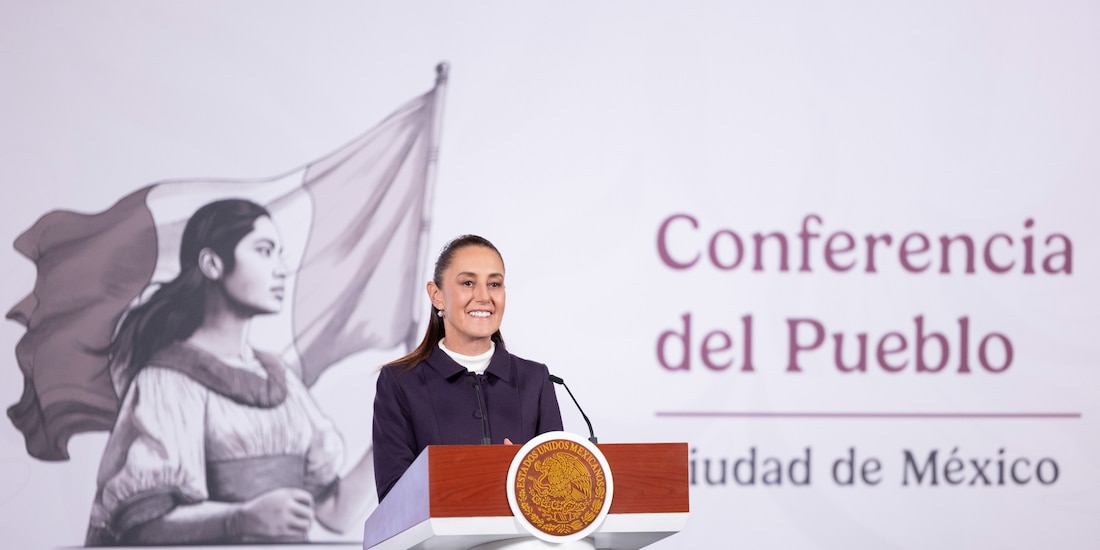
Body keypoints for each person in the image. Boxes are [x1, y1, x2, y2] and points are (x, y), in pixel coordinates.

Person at [85, 199, 375, 545]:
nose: (280, 269)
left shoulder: (279, 378)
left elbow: (336, 513)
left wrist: (403, 426)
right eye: (264, 251)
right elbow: (142, 527)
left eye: (279, 253)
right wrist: (240, 519)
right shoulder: (168, 381)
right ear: (212, 264)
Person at [372, 235, 564, 501]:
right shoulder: (400, 382)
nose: (484, 297)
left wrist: (529, 477)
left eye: (494, 284)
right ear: (436, 295)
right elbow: (394, 496)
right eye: (468, 283)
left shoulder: (535, 379)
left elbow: (561, 491)